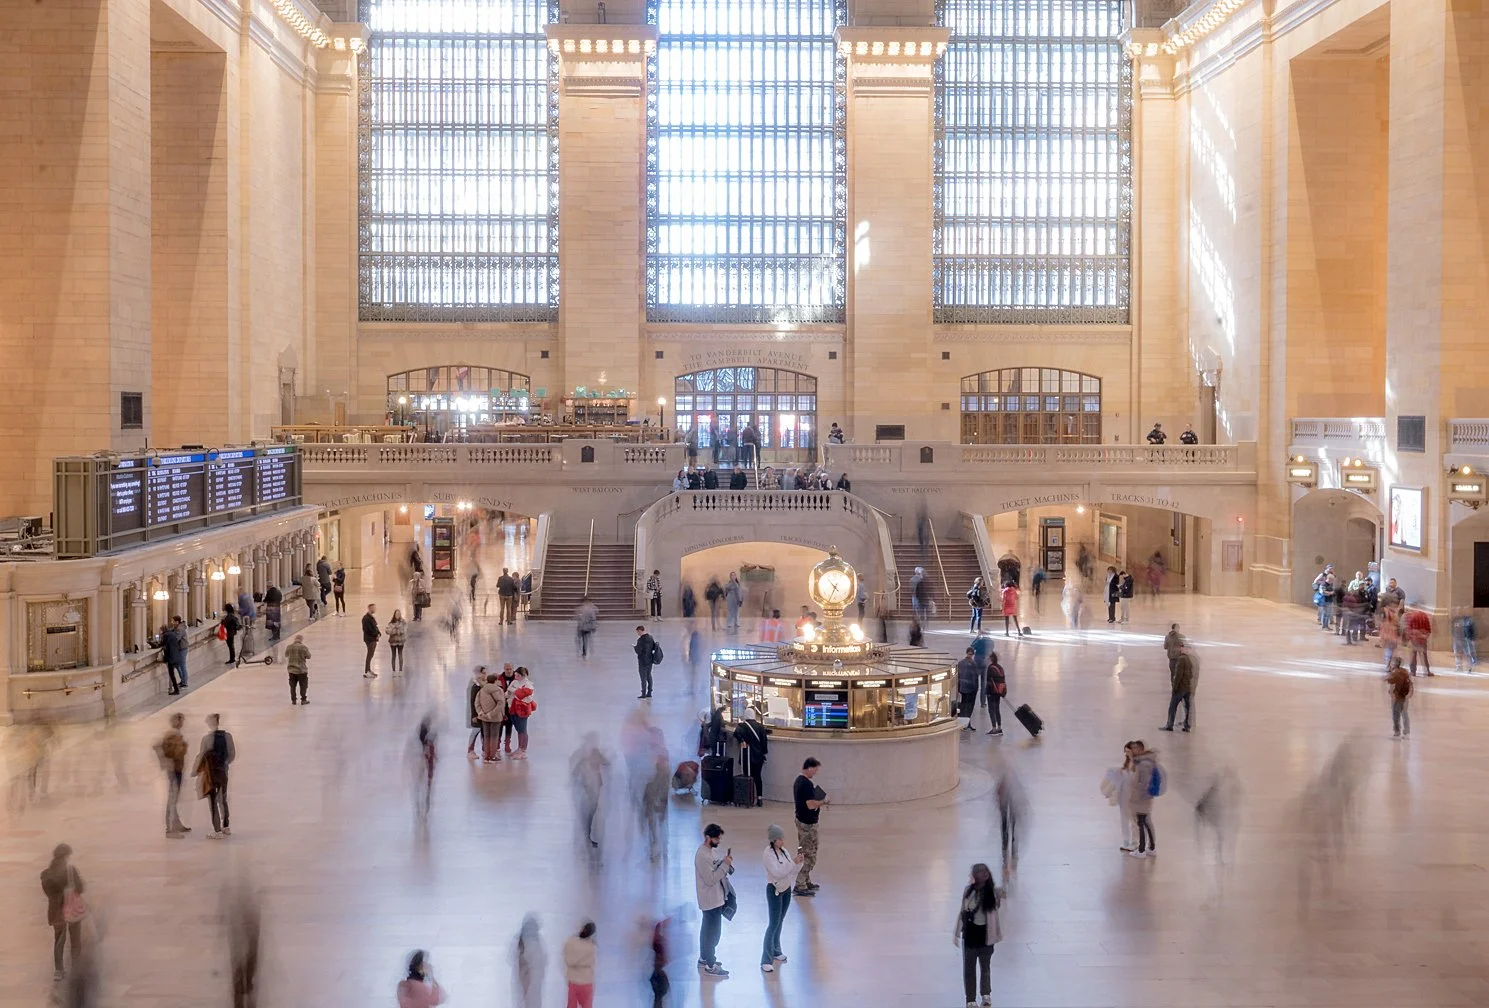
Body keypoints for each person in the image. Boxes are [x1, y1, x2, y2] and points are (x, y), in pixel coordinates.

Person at [951, 862, 1002, 1008]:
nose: (970, 877)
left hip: (986, 936)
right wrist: (956, 933)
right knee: (969, 969)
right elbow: (962, 912)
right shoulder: (968, 891)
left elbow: (999, 901)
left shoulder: (992, 893)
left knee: (985, 967)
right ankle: (971, 999)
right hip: (970, 935)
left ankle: (986, 995)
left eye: (973, 874)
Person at [761, 824, 804, 973]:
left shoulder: (784, 852)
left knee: (780, 921)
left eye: (782, 838)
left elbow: (790, 871)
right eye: (779, 839)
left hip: (786, 889)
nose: (782, 841)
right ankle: (766, 959)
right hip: (774, 890)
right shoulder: (768, 854)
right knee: (773, 923)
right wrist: (793, 863)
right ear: (773, 840)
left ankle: (776, 950)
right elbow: (778, 872)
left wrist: (798, 863)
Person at [695, 823, 734, 978]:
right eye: (717, 839)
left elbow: (714, 868)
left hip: (715, 898)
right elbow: (710, 879)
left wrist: (723, 863)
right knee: (712, 933)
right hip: (709, 900)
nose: (719, 842)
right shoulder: (702, 855)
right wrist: (724, 866)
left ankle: (704, 958)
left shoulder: (709, 852)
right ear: (708, 837)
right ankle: (710, 964)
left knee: (709, 931)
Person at [40, 844, 85, 981]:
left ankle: (59, 970)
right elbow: (80, 888)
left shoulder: (46, 874)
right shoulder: (71, 870)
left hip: (56, 910)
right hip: (72, 909)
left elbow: (48, 893)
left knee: (59, 938)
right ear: (66, 856)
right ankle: (76, 967)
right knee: (75, 939)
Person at [196, 713, 236, 838]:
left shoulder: (206, 739)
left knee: (213, 800)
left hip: (211, 773)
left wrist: (196, 771)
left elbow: (201, 755)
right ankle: (226, 826)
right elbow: (232, 754)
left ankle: (217, 830)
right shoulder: (227, 736)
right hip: (223, 772)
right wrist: (225, 764)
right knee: (222, 798)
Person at [792, 757, 827, 896]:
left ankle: (806, 881)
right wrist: (822, 802)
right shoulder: (805, 784)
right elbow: (810, 805)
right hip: (807, 824)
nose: (816, 773)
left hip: (801, 820)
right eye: (815, 770)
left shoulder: (798, 781)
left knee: (805, 850)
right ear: (810, 768)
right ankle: (800, 884)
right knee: (810, 855)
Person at [155, 712, 190, 836]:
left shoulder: (176, 734)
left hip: (177, 769)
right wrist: (165, 762)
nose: (181, 723)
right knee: (172, 798)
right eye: (179, 720)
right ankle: (170, 829)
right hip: (174, 770)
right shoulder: (171, 735)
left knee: (174, 798)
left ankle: (176, 823)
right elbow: (157, 746)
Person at [1126, 741, 1160, 857]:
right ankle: (1151, 847)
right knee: (1146, 822)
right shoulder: (1146, 762)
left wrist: (1136, 795)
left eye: (1134, 749)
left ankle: (1141, 850)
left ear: (1140, 750)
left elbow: (1141, 782)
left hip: (1141, 798)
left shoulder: (1143, 764)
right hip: (1144, 797)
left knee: (1141, 822)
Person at [733, 707, 769, 805]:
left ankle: (747, 797)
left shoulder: (742, 726)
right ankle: (760, 798)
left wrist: (742, 741)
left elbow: (736, 734)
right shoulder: (761, 727)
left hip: (747, 756)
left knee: (746, 776)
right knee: (758, 777)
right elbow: (764, 742)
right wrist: (764, 753)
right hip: (758, 757)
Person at [1161, 643, 1197, 732]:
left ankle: (1170, 725)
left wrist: (1174, 687)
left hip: (1180, 687)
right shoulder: (1190, 659)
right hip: (1188, 687)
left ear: (1182, 649)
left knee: (1172, 707)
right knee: (1187, 708)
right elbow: (1192, 674)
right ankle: (1187, 726)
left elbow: (1178, 675)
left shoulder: (1181, 659)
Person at [513, 915, 547, 1008]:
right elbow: (543, 960)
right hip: (532, 979)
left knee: (524, 1001)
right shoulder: (535, 942)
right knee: (532, 1002)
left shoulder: (520, 940)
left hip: (524, 979)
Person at [563, 921, 597, 1008]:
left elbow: (567, 959)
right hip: (587, 982)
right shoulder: (592, 947)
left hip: (573, 981)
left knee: (571, 1006)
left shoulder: (571, 942)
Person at [475, 672, 507, 763]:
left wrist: (481, 713)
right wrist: (491, 714)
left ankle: (486, 756)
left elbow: (476, 703)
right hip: (495, 718)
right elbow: (501, 703)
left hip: (484, 717)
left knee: (486, 736)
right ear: (496, 681)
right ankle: (492, 756)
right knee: (494, 736)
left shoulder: (481, 690)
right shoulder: (498, 690)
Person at [506, 667, 536, 760]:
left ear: (523, 675)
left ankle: (523, 750)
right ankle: (519, 748)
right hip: (512, 708)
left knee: (522, 729)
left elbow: (526, 697)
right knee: (518, 728)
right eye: (515, 675)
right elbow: (508, 692)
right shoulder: (515, 682)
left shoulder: (528, 685)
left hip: (522, 709)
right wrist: (514, 693)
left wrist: (515, 693)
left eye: (517, 675)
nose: (515, 676)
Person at [1386, 657, 1413, 738]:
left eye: (1392, 663)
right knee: (1404, 713)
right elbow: (1410, 683)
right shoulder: (1405, 672)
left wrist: (1391, 693)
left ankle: (1397, 731)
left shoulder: (1396, 673)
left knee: (1396, 714)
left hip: (1398, 696)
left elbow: (1392, 684)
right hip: (1404, 696)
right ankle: (1406, 731)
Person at [1404, 604, 1434, 676]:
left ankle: (1413, 671)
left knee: (1413, 655)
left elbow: (1409, 628)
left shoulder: (1411, 616)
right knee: (1424, 655)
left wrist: (1408, 638)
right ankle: (1427, 671)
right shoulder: (1425, 616)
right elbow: (1428, 628)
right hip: (1423, 639)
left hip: (1414, 639)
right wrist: (1425, 636)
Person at [955, 647, 981, 730]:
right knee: (969, 707)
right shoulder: (973, 664)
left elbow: (957, 676)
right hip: (971, 689)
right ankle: (967, 723)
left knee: (963, 706)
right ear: (972, 654)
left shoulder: (960, 663)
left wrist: (958, 688)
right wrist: (976, 689)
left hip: (962, 688)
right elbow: (976, 677)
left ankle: (963, 723)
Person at [162, 616, 189, 694]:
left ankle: (184, 682)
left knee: (182, 665)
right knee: (179, 665)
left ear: (177, 622)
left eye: (173, 621)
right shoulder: (176, 628)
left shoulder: (179, 629)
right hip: (180, 649)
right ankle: (182, 681)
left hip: (182, 648)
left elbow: (176, 638)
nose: (172, 622)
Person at [983, 648, 1006, 736]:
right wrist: (1003, 692)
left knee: (991, 710)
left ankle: (993, 728)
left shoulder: (990, 668)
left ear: (992, 658)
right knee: (997, 709)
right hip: (998, 692)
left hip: (991, 692)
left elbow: (989, 681)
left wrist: (987, 691)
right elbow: (1003, 680)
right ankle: (999, 728)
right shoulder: (1000, 668)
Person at [465, 667, 486, 759]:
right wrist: (474, 715)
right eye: (483, 673)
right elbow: (473, 701)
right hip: (476, 714)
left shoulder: (482, 684)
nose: (485, 675)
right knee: (476, 730)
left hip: (482, 713)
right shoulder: (475, 685)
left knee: (483, 731)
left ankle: (485, 750)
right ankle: (470, 750)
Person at [634, 624, 660, 699]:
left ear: (640, 631)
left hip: (642, 661)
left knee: (643, 677)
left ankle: (643, 693)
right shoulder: (650, 638)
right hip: (650, 660)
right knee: (649, 676)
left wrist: (635, 647)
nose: (638, 634)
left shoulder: (640, 640)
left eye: (638, 632)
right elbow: (653, 647)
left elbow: (638, 651)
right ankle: (649, 692)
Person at [284, 634, 311, 705]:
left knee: (292, 686)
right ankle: (303, 699)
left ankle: (293, 700)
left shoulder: (289, 647)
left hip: (291, 670)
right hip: (302, 670)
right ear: (301, 640)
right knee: (303, 685)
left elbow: (286, 655)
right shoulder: (304, 647)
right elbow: (309, 656)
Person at [1312, 564, 1337, 630]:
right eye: (1330, 568)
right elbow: (1316, 582)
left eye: (1332, 568)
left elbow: (1333, 587)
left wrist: (1332, 592)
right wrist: (1329, 591)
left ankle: (1328, 624)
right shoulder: (1322, 575)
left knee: (1328, 612)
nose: (1331, 570)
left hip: (1329, 598)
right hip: (1323, 598)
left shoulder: (1332, 576)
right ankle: (1321, 622)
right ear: (1327, 568)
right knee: (1323, 611)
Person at [383, 609, 408, 673]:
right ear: (394, 615)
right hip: (393, 641)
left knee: (400, 655)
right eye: (397, 614)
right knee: (393, 655)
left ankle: (400, 670)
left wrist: (396, 629)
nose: (398, 615)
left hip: (400, 641)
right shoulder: (391, 623)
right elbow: (387, 631)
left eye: (399, 614)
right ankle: (393, 670)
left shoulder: (403, 622)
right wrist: (395, 629)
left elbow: (404, 630)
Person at [361, 603, 381, 678]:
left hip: (373, 638)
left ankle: (369, 670)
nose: (374, 609)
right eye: (373, 608)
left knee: (371, 655)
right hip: (370, 639)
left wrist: (379, 633)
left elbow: (375, 627)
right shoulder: (366, 618)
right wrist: (376, 634)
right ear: (369, 608)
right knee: (369, 655)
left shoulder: (371, 617)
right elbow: (368, 629)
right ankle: (366, 671)